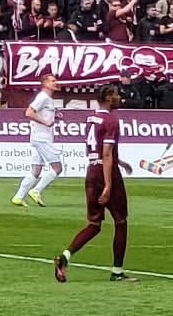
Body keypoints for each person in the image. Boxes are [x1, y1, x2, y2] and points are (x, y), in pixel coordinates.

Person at [54, 84, 132, 285]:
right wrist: (108, 185)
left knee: (95, 224)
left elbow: (98, 147)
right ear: (107, 97)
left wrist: (119, 160)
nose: (119, 97)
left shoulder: (91, 118)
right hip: (106, 173)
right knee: (121, 221)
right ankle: (117, 271)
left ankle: (65, 257)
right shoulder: (111, 120)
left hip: (91, 171)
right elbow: (106, 153)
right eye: (115, 94)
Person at [12, 70, 62, 208]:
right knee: (57, 168)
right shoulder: (43, 97)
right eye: (52, 81)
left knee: (36, 170)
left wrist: (54, 117)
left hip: (38, 138)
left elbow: (40, 114)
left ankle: (18, 197)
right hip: (42, 138)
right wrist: (45, 122)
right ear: (45, 83)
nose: (55, 83)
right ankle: (36, 191)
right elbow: (29, 112)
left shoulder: (48, 99)